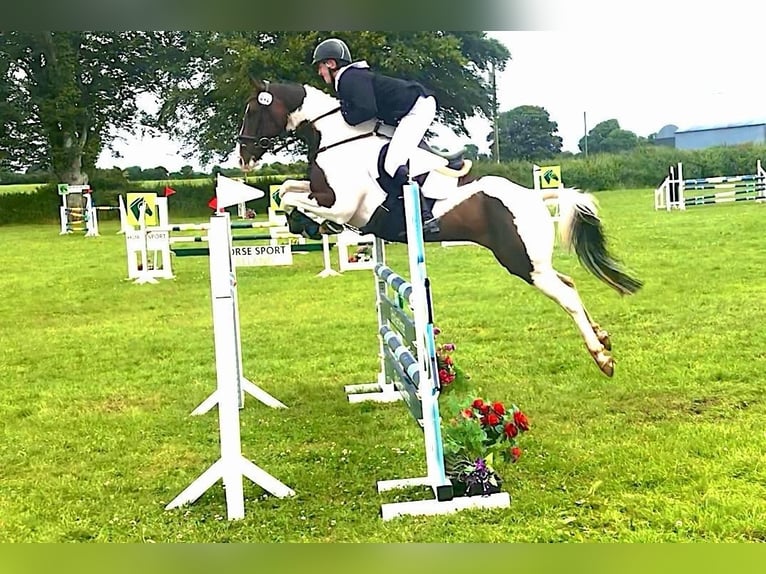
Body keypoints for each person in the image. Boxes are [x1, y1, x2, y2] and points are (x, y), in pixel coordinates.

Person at [312, 37, 440, 235]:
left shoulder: (347, 78)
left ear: (331, 63)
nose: (319, 73)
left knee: (392, 163)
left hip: (416, 108)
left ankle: (425, 217)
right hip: (400, 113)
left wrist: (345, 115)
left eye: (320, 67)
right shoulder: (349, 77)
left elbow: (365, 110)